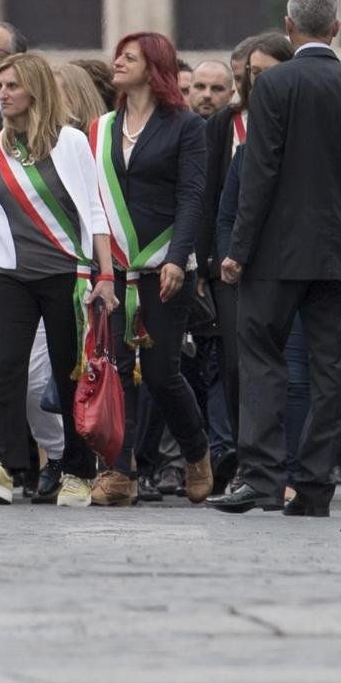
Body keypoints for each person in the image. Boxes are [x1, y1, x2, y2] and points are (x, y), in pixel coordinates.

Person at [212, 0, 341, 519]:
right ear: (336, 28)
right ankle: (313, 482)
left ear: (288, 26)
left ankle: (260, 477)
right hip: (337, 254)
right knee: (329, 368)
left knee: (261, 359)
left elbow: (260, 172)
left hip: (276, 254)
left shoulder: (275, 86)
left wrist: (239, 247)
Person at [0, 50, 108, 504]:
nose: (1, 95)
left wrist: (103, 275)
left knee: (68, 372)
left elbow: (94, 210)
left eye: (12, 86)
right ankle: (5, 466)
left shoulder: (71, 142)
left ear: (35, 90)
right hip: (10, 274)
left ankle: (78, 470)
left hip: (66, 272)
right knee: (6, 368)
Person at [93, 30, 212, 506]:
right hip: (115, 266)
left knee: (162, 373)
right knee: (117, 370)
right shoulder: (102, 126)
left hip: (166, 262)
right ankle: (121, 473)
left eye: (129, 57)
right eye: (118, 56)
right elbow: (95, 198)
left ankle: (197, 453)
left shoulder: (185, 125)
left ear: (154, 67)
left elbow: (191, 196)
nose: (118, 63)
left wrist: (178, 257)